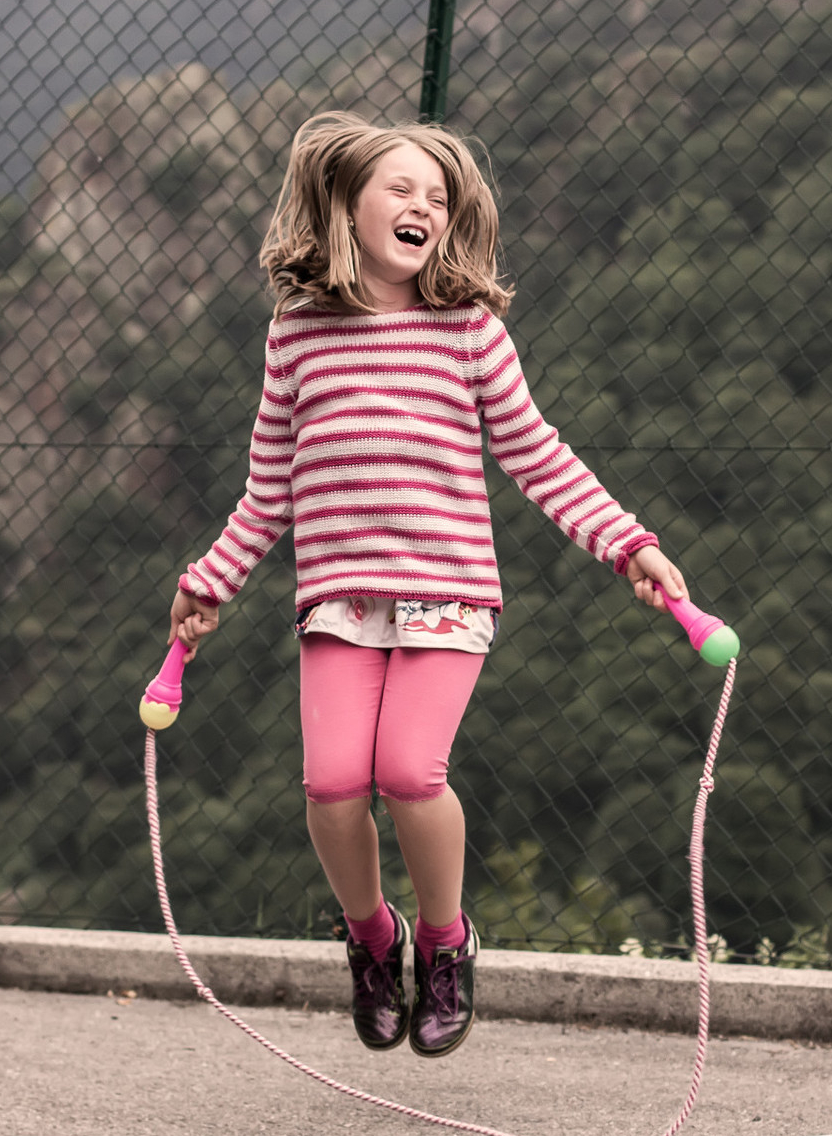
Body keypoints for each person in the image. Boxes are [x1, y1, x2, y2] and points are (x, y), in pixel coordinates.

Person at [167, 111, 688, 1059]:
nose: (423, 208)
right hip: (340, 599)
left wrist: (628, 545)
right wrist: (211, 580)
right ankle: (375, 939)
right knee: (332, 785)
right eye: (401, 189)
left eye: (438, 198)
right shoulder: (297, 335)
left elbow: (539, 458)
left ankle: (446, 943)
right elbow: (267, 489)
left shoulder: (469, 333)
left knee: (409, 772)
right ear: (346, 207)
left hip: (448, 593)